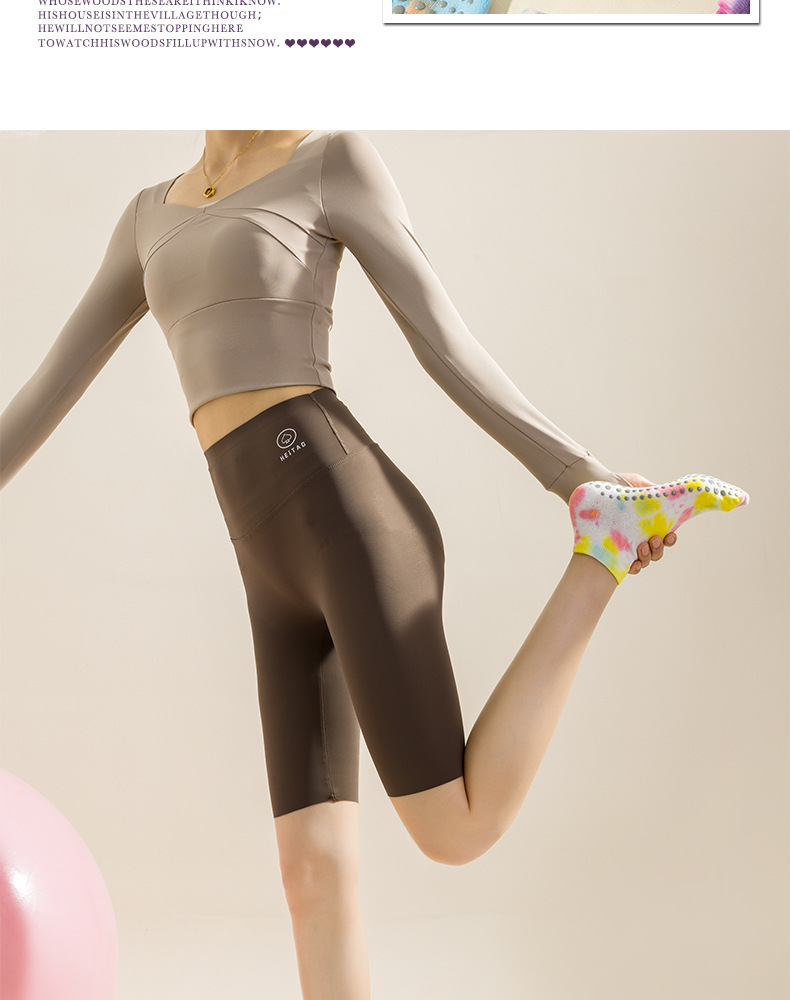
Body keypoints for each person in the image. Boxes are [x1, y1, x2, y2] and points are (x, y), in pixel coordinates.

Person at [0, 130, 748, 1000]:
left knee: (454, 828)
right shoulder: (146, 217)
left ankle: (603, 551)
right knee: (311, 869)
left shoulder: (329, 162)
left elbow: (442, 338)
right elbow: (50, 385)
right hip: (265, 566)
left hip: (347, 516)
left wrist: (575, 475)